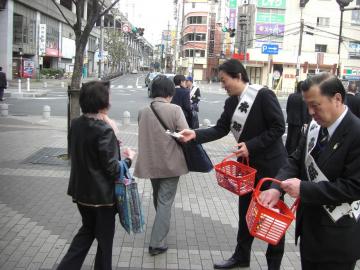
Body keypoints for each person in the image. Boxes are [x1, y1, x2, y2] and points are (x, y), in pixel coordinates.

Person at [179, 59, 287, 270]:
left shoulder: (263, 95)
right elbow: (220, 129)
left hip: (271, 168)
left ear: (238, 76)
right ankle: (241, 256)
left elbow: (278, 127)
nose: (222, 85)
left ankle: (274, 264)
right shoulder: (231, 103)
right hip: (246, 168)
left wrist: (252, 146)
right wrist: (195, 134)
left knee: (272, 216)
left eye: (224, 80)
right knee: (245, 212)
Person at [260, 73, 360, 270]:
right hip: (309, 232)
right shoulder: (315, 127)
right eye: (307, 105)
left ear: (337, 99)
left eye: (315, 105)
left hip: (338, 238)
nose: (310, 111)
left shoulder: (356, 133)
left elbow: (354, 187)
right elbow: (296, 159)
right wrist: (276, 187)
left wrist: (304, 190)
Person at [57, 81, 136, 270]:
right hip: (102, 198)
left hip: (81, 193)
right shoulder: (104, 130)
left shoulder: (76, 124)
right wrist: (129, 160)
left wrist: (113, 145)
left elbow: (83, 153)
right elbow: (112, 169)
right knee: (104, 241)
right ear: (103, 103)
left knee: (87, 232)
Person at [134, 75, 189, 256]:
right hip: (171, 163)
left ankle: (161, 228)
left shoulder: (143, 111)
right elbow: (185, 135)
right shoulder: (175, 110)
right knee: (165, 201)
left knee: (160, 199)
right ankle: (157, 242)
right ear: (169, 92)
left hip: (151, 163)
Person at [285, 81, 311, 154]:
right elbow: (303, 111)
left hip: (290, 119)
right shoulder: (303, 97)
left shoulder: (291, 95)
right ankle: (291, 153)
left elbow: (287, 108)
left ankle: (286, 151)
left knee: (289, 137)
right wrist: (305, 122)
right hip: (298, 121)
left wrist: (289, 116)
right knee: (295, 138)